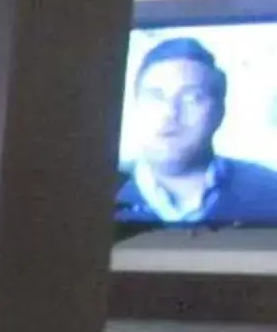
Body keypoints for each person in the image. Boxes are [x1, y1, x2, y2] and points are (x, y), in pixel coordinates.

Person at [116, 35, 277, 226]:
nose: (170, 113)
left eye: (192, 98)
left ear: (219, 112)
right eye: (156, 96)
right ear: (135, 106)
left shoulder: (269, 190)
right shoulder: (90, 189)